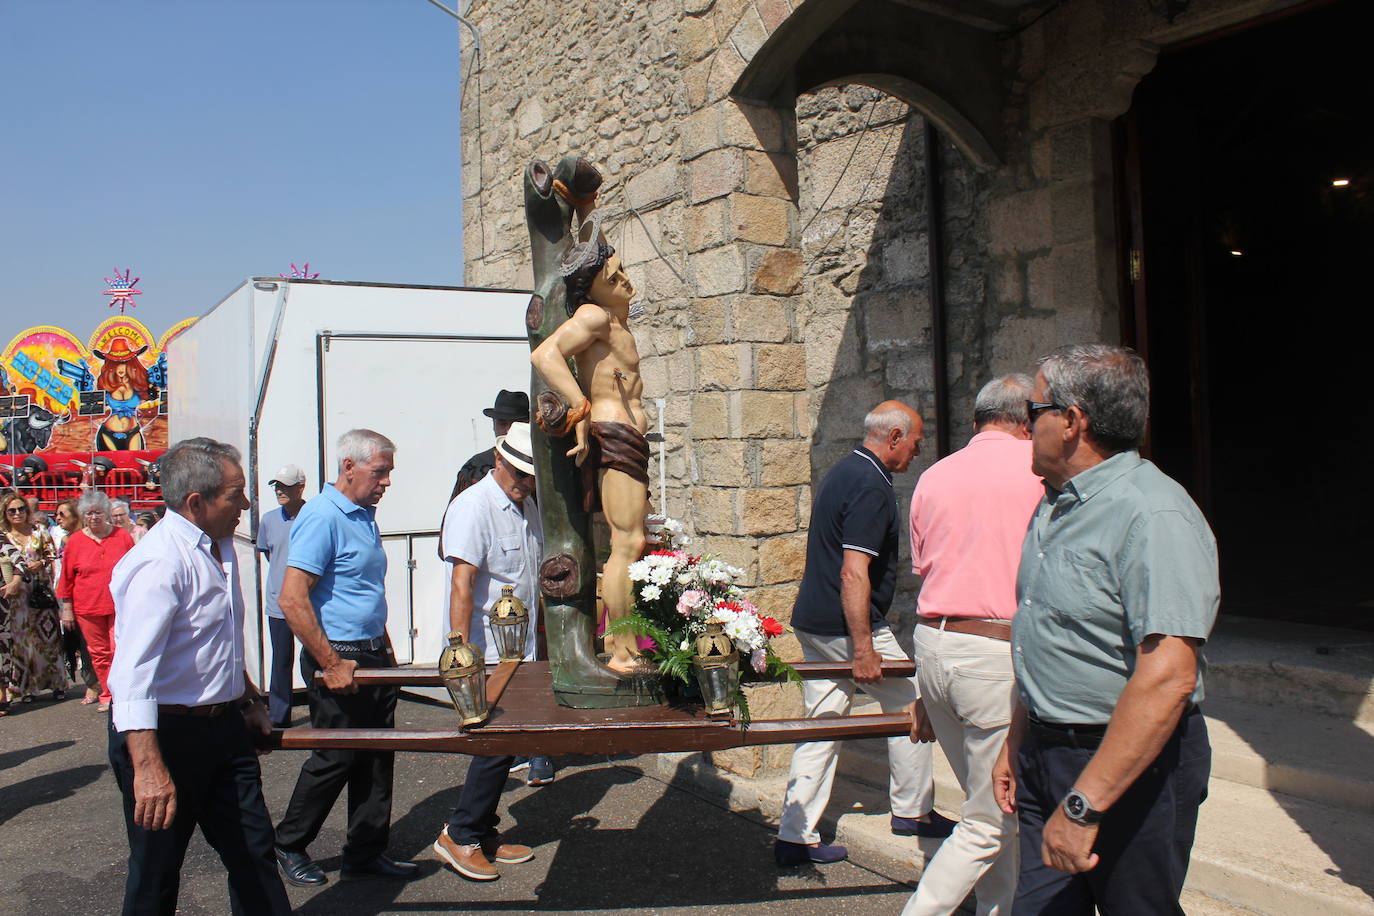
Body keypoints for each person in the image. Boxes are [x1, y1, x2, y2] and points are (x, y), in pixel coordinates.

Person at [993, 344, 1218, 915]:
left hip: (1129, 765)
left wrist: (1084, 806)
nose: (1024, 424)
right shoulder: (1055, 505)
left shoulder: (1153, 515)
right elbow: (1049, 634)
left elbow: (1169, 677)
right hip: (1049, 752)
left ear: (1071, 422)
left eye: (1033, 408)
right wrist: (1018, 740)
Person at [106, 437, 291, 916]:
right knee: (156, 873)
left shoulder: (219, 544)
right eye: (236, 494)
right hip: (164, 736)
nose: (246, 505)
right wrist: (148, 768)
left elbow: (217, 640)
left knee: (254, 855)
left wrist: (247, 699)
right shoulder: (160, 563)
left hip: (223, 730)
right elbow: (131, 676)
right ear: (196, 502)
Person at [775, 401, 952, 867]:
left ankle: (794, 836)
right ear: (893, 437)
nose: (918, 450)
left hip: (813, 620)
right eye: (915, 440)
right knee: (913, 699)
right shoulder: (872, 486)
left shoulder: (844, 471)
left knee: (825, 721)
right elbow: (854, 574)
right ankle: (913, 812)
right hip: (842, 626)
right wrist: (863, 648)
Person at [902, 375, 1044, 916]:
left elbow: (925, 567)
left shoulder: (935, 475)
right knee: (990, 820)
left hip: (936, 645)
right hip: (992, 653)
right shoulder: (1038, 470)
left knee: (992, 808)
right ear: (1026, 419)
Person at [274, 429, 419, 887]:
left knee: (376, 757)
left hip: (373, 651)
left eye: (389, 472)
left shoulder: (362, 514)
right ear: (349, 467)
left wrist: (383, 645)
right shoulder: (323, 515)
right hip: (338, 655)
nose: (387, 482)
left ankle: (365, 851)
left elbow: (361, 590)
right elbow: (292, 599)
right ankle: (289, 843)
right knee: (336, 755)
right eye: (380, 472)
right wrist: (330, 663)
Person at [530, 192, 652, 675]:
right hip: (615, 433)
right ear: (592, 289)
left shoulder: (614, 320)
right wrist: (578, 404)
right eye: (613, 276)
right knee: (626, 544)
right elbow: (545, 355)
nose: (624, 280)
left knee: (633, 542)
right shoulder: (595, 317)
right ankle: (622, 651)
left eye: (622, 271)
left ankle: (628, 644)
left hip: (628, 437)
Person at [432, 422, 543, 880]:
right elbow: (463, 583)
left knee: (508, 743)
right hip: (488, 654)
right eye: (518, 472)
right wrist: (461, 655)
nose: (523, 481)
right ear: (498, 459)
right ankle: (461, 835)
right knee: (495, 746)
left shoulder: (526, 503)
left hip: (520, 650)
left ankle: (482, 829)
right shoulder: (473, 506)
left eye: (530, 475)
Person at [57, 491, 136, 712]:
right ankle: (108, 694)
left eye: (98, 512)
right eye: (89, 513)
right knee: (99, 653)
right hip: (88, 606)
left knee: (119, 649)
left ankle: (123, 693)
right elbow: (67, 578)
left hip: (119, 606)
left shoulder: (122, 536)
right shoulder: (75, 541)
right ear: (83, 515)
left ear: (107, 513)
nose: (94, 517)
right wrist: (67, 609)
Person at [1, 490, 65, 703]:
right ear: (5, 513)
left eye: (21, 509)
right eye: (12, 511)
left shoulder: (39, 531)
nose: (17, 513)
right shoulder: (4, 535)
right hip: (16, 595)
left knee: (49, 637)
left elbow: (51, 554)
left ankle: (57, 684)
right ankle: (27, 688)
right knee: (22, 642)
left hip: (40, 590)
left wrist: (42, 562)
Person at [257, 464, 308, 728]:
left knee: (314, 657)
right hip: (278, 603)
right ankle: (279, 717)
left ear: (301, 487)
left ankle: (324, 710)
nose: (279, 491)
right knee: (281, 661)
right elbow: (270, 554)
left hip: (310, 603)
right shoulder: (268, 520)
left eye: (285, 486)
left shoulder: (314, 516)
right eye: (277, 486)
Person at [443, 389, 530, 505]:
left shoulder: (540, 465)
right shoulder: (474, 467)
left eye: (516, 424)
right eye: (502, 423)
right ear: (493, 425)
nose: (508, 430)